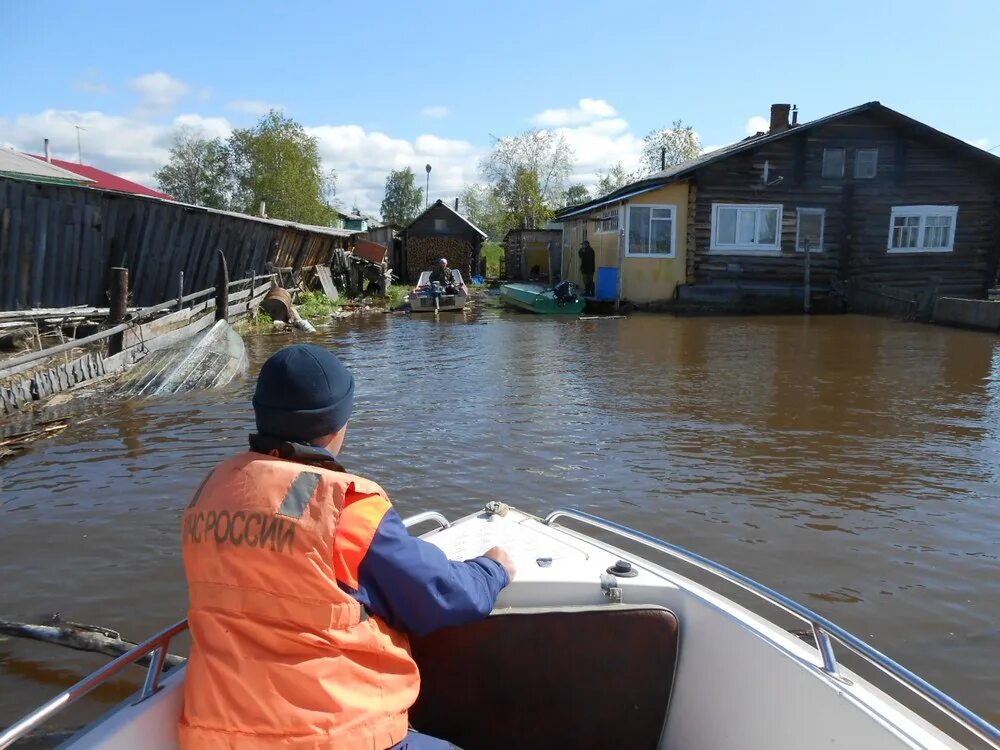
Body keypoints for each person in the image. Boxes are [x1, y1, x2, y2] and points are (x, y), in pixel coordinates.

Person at [179, 344, 516, 750]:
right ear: (338, 427)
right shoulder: (344, 507)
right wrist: (492, 569)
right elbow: (440, 593)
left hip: (214, 735)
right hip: (332, 735)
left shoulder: (211, 491)